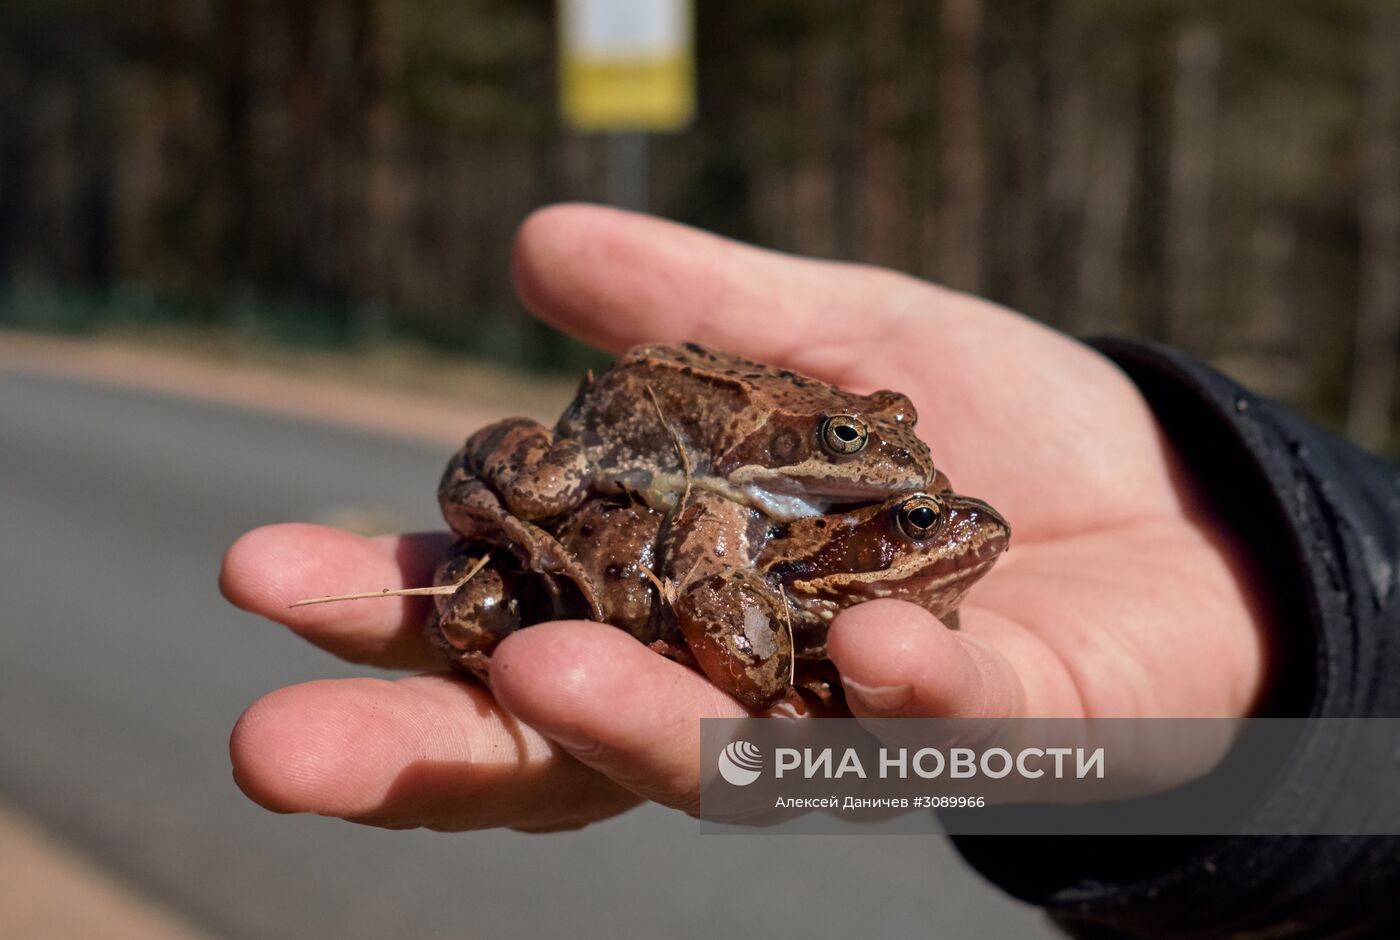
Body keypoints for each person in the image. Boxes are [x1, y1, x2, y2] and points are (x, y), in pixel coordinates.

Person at [219, 204, 1400, 937]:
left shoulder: (805, 507)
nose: (881, 465)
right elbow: (711, 596)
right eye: (850, 448)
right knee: (542, 501)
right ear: (796, 450)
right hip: (599, 453)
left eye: (885, 440)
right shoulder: (732, 495)